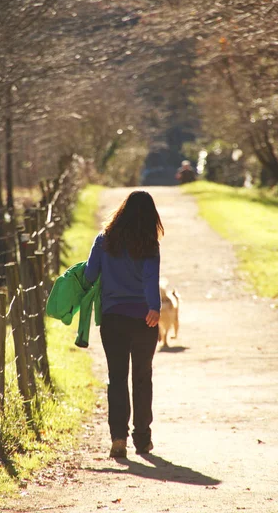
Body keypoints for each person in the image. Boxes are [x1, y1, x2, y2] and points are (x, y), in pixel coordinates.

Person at [84, 191, 164, 458]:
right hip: (145, 320)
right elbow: (150, 279)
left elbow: (89, 274)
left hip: (113, 317)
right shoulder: (150, 244)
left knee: (117, 377)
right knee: (142, 377)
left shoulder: (104, 240)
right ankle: (142, 439)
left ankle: (118, 438)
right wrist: (154, 308)